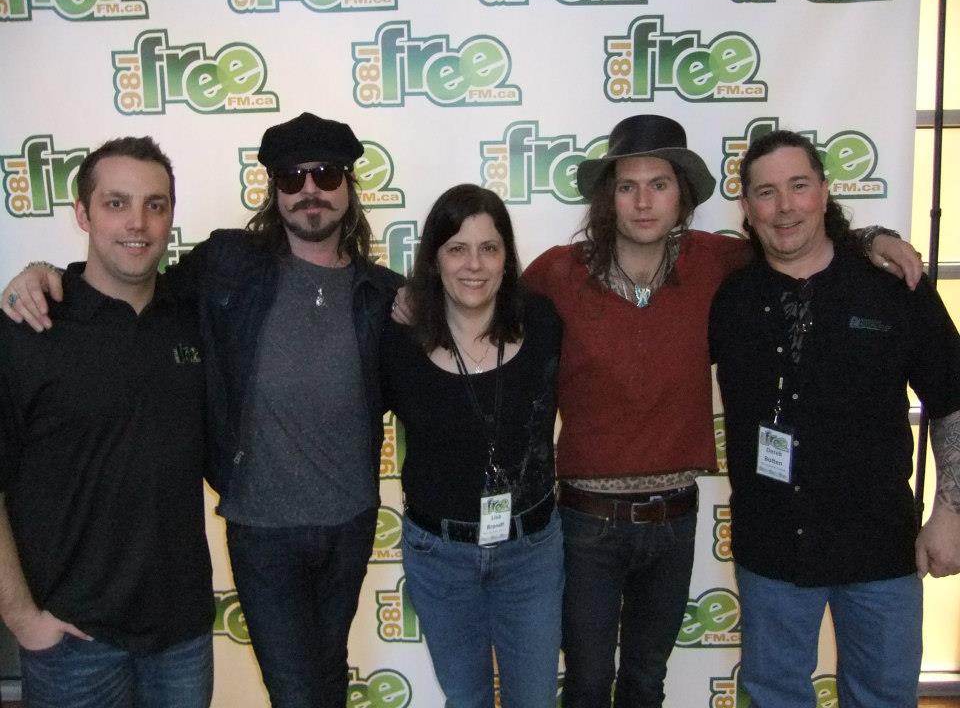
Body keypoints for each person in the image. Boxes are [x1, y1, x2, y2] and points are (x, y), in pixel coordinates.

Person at [517, 115, 923, 708]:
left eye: (659, 184)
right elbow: (486, 302)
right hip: (586, 523)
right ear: (608, 199)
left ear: (682, 193)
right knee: (583, 683)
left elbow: (798, 237)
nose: (643, 201)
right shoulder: (557, 272)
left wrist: (873, 238)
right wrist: (414, 301)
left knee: (645, 682)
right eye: (627, 186)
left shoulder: (718, 264)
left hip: (674, 520)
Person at [1, 113, 403, 708]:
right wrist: (40, 274)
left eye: (325, 173)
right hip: (225, 552)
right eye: (293, 177)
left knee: (326, 679)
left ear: (349, 184)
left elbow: (461, 331)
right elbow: (116, 279)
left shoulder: (383, 294)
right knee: (299, 692)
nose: (310, 188)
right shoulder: (225, 268)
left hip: (270, 574)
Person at [708, 129, 960, 708]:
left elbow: (951, 397)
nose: (785, 206)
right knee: (775, 697)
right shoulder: (728, 297)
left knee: (881, 697)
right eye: (767, 193)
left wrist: (950, 510)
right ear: (746, 208)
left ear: (825, 192)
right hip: (771, 551)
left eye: (799, 186)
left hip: (881, 551)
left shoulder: (894, 286)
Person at [0, 137, 214, 707]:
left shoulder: (193, 317)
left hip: (183, 635)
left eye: (156, 204)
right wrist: (24, 620)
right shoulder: (29, 327)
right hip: (72, 640)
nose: (138, 223)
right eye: (116, 203)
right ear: (82, 212)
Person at [381, 184, 563, 708]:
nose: (474, 265)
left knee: (534, 699)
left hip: (530, 551)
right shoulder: (398, 341)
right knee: (466, 698)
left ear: (508, 257)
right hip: (440, 557)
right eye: (457, 249)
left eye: (489, 248)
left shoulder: (543, 322)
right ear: (433, 260)